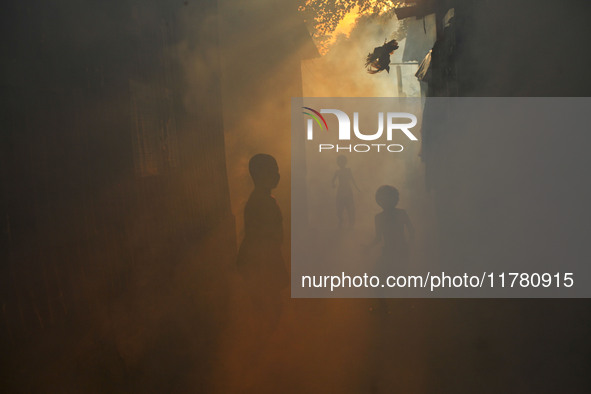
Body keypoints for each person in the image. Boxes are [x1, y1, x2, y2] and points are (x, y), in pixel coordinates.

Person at [237, 154, 288, 334]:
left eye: (277, 171)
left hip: (261, 258)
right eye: (273, 171)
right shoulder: (262, 202)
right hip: (260, 260)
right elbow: (262, 235)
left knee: (267, 304)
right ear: (258, 175)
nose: (277, 175)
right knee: (268, 305)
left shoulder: (263, 199)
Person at [368, 185, 414, 275]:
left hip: (397, 251)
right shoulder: (400, 213)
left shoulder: (380, 217)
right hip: (392, 251)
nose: (386, 201)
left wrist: (408, 246)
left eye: (388, 198)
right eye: (384, 199)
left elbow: (412, 232)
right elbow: (412, 231)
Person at [332, 155, 360, 228]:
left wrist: (357, 189)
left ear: (345, 162)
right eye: (339, 162)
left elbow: (353, 180)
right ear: (338, 163)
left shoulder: (348, 170)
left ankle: (351, 224)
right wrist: (333, 185)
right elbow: (333, 180)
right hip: (341, 191)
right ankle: (341, 221)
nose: (341, 163)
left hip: (347, 190)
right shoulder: (337, 171)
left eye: (342, 161)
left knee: (350, 208)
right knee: (339, 208)